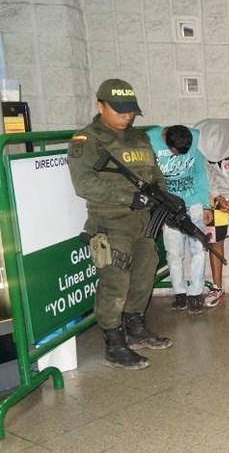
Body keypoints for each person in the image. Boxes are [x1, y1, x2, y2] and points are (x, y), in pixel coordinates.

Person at [67, 78, 173, 370]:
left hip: (143, 220)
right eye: (120, 110)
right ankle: (114, 343)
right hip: (110, 220)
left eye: (130, 111)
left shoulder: (139, 137)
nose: (127, 116)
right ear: (100, 105)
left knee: (144, 272)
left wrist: (163, 197)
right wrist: (130, 196)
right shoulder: (87, 139)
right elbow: (84, 183)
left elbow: (155, 173)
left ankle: (136, 328)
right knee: (115, 280)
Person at [147, 124, 213, 314]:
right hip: (168, 205)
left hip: (193, 202)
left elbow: (200, 172)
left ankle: (195, 293)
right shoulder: (150, 140)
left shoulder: (194, 137)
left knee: (199, 249)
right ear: (166, 141)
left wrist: (205, 204)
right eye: (175, 153)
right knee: (174, 252)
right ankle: (179, 292)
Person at [193, 118, 229, 308]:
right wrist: (218, 197)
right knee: (214, 241)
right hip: (215, 199)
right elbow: (204, 173)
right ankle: (217, 288)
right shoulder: (200, 140)